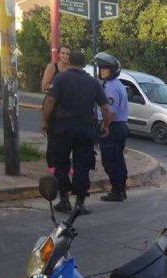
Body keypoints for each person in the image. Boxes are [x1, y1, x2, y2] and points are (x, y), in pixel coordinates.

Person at [41, 49, 112, 215]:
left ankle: (64, 200)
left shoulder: (61, 78)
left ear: (70, 61)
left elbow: (50, 100)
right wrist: (106, 125)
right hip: (85, 129)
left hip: (63, 127)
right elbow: (105, 108)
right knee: (82, 166)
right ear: (83, 64)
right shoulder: (93, 82)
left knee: (61, 165)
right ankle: (80, 203)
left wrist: (44, 121)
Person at [94, 52, 129, 202]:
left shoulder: (111, 88)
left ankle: (117, 191)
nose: (102, 70)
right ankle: (121, 189)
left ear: (113, 70)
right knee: (118, 158)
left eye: (105, 68)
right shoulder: (114, 85)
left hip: (113, 127)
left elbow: (110, 112)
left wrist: (104, 126)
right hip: (119, 127)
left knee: (110, 160)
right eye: (101, 68)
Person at [41, 45, 71, 173]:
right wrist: (58, 86)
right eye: (63, 53)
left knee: (66, 138)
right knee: (52, 136)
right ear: (58, 54)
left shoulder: (71, 69)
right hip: (53, 104)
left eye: (68, 54)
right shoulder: (52, 67)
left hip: (66, 106)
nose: (65, 56)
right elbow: (45, 86)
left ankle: (64, 164)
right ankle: (51, 164)